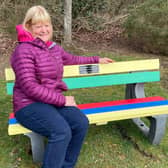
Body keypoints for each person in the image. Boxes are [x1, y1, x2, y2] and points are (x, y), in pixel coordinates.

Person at [11, 5, 113, 168]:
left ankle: (66, 165)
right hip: (28, 105)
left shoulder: (54, 48)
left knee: (80, 122)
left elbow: (72, 59)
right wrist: (62, 100)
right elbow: (29, 86)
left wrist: (96, 59)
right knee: (61, 131)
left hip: (51, 102)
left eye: (47, 25)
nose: (44, 30)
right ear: (29, 27)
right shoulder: (23, 51)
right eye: (38, 26)